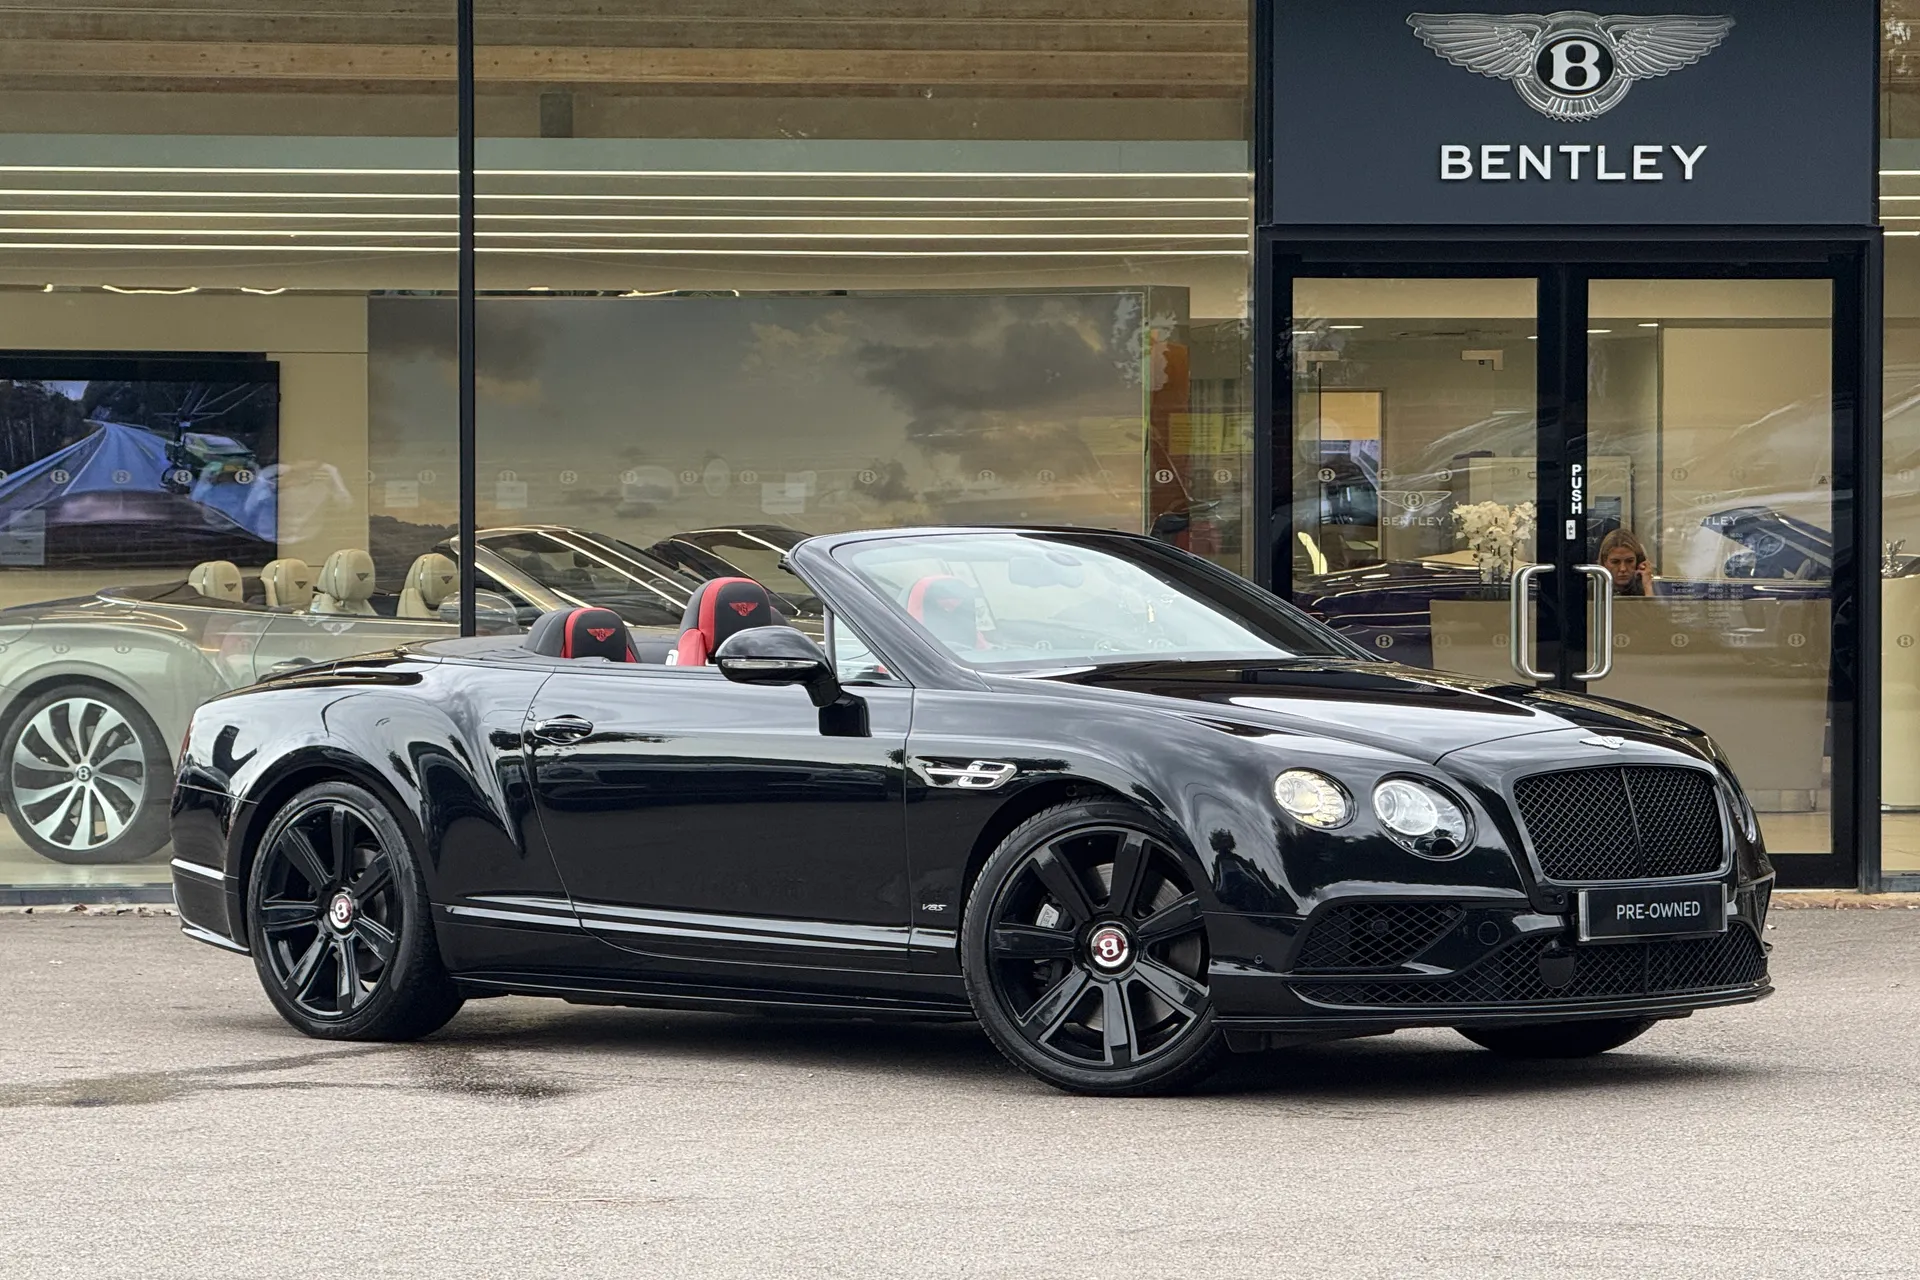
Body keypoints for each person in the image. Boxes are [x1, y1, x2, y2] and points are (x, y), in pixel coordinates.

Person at [1597, 528, 1653, 596]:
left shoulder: (1648, 587)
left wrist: (1647, 587)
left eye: (1629, 561)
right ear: (1604, 562)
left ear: (1638, 562)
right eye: (1615, 562)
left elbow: (1652, 606)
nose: (1623, 569)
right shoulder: (1591, 589)